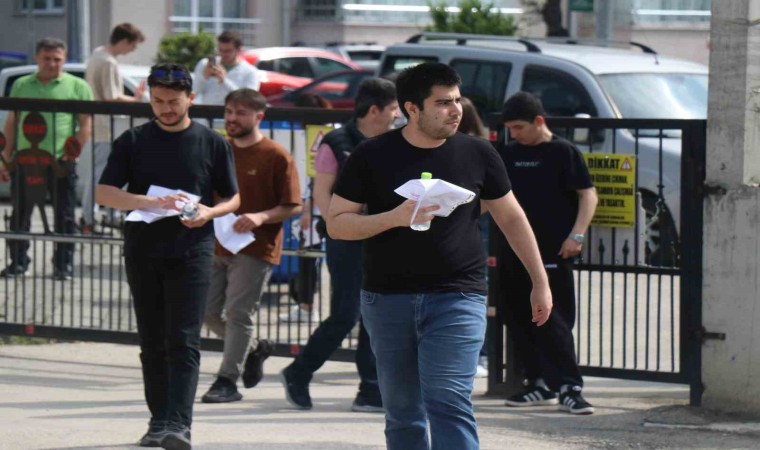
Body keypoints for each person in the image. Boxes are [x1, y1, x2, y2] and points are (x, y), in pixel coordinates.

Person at [326, 62, 552, 450]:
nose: (455, 110)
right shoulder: (372, 155)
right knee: (403, 412)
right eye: (443, 103)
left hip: (458, 295)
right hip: (387, 298)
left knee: (448, 400)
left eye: (457, 100)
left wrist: (540, 281)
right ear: (412, 108)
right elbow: (337, 224)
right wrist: (393, 217)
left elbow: (512, 217)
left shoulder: (478, 153)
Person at [95, 63, 240, 450]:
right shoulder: (133, 140)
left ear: (190, 98)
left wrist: (209, 212)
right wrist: (149, 202)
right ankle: (158, 420)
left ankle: (179, 423)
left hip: (192, 250)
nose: (165, 109)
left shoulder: (212, 142)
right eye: (158, 101)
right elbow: (104, 193)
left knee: (183, 338)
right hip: (143, 249)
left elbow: (232, 198)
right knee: (153, 339)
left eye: (173, 101)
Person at [280, 78, 400, 412]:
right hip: (346, 239)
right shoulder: (336, 142)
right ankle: (299, 372)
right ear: (374, 110)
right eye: (393, 108)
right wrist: (343, 224)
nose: (397, 115)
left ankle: (370, 389)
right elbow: (322, 193)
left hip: (383, 237)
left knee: (376, 314)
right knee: (346, 314)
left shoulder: (393, 142)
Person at [497, 91, 597, 415]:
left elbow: (588, 195)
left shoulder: (563, 152)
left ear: (539, 121)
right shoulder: (508, 154)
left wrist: (576, 235)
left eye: (519, 127)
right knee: (518, 317)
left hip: (554, 250)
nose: (514, 134)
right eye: (510, 129)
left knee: (555, 320)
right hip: (514, 251)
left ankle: (570, 387)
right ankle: (538, 383)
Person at [200, 88, 302, 403]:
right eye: (229, 112)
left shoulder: (276, 156)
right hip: (217, 242)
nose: (232, 118)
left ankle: (227, 381)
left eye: (240, 113)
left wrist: (260, 217)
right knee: (206, 311)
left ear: (259, 116)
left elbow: (293, 205)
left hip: (256, 247)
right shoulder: (219, 149)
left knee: (238, 313)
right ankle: (255, 347)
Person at [0, 37, 93, 280]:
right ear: (37, 58)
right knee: (20, 214)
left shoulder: (78, 86)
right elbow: (13, 122)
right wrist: (5, 158)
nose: (52, 64)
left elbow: (85, 125)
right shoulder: (21, 84)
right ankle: (18, 263)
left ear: (64, 59)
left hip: (60, 161)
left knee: (64, 215)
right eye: (46, 59)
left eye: (57, 59)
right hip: (25, 160)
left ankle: (63, 265)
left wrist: (71, 154)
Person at [82, 22, 146, 234]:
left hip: (100, 123)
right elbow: (112, 96)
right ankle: (88, 218)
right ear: (125, 41)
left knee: (101, 171)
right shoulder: (108, 61)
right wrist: (135, 99)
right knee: (101, 172)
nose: (132, 50)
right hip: (105, 125)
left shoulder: (97, 55)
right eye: (133, 46)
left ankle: (98, 216)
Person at [279, 92, 332, 323]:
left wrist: (308, 209)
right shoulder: (331, 130)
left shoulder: (321, 136)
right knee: (311, 257)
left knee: (308, 258)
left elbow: (316, 176)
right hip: (325, 205)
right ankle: (307, 306)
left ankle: (307, 307)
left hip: (318, 207)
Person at [456, 96, 490, 379]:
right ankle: (481, 354)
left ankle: (481, 354)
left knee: (475, 292)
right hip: (475, 224)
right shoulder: (481, 146)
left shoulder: (474, 150)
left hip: (474, 225)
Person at [192, 30, 259, 105]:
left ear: (239, 50)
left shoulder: (250, 72)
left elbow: (249, 101)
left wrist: (224, 81)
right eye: (220, 50)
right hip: (206, 111)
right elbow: (192, 93)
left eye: (228, 51)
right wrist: (203, 77)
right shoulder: (205, 64)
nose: (223, 54)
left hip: (233, 112)